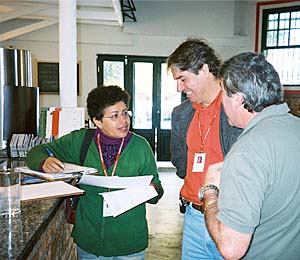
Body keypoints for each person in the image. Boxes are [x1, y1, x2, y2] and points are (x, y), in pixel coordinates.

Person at [26, 85, 164, 260]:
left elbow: (157, 191)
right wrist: (43, 162)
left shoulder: (141, 146)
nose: (123, 121)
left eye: (125, 112)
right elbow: (35, 152)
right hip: (91, 241)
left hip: (130, 241)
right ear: (97, 121)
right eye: (114, 116)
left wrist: (151, 189)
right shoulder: (80, 141)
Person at [201, 52, 300, 260]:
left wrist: (210, 191)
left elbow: (231, 248)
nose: (221, 103)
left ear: (237, 99)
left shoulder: (247, 151)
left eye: (223, 95)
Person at [166, 37, 242, 260]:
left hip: (230, 218)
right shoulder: (181, 114)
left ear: (205, 69)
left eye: (183, 79)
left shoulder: (237, 108)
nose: (179, 87)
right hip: (193, 217)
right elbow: (180, 162)